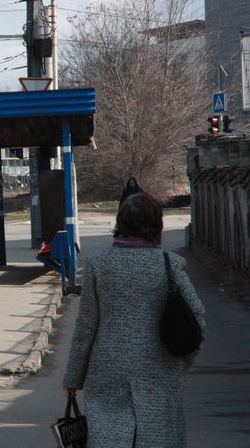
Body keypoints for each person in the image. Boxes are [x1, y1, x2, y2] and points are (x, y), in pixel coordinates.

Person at [62, 192, 206, 448]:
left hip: (107, 371)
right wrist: (183, 360)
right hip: (160, 369)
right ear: (157, 225)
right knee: (158, 436)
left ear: (120, 223)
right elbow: (197, 317)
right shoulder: (170, 265)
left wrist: (73, 379)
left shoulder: (98, 264)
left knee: (109, 435)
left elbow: (86, 326)